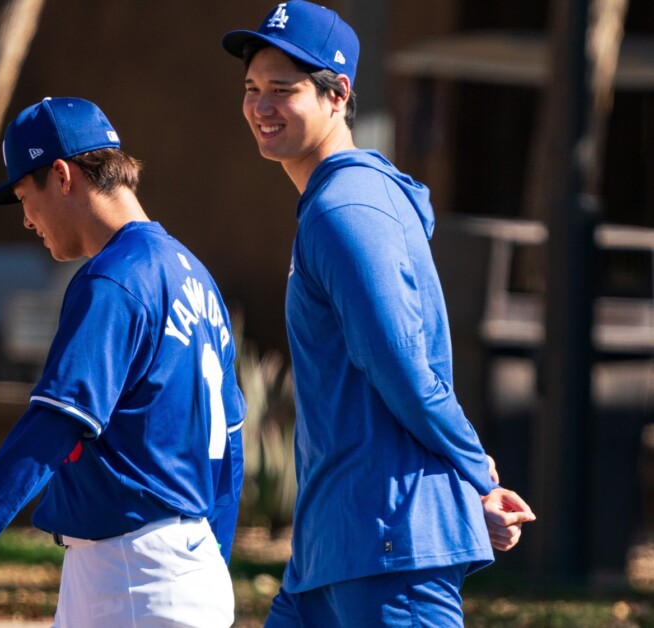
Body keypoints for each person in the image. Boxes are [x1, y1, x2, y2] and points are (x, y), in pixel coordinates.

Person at [221, 2, 535, 626]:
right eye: (252, 88)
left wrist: (476, 473)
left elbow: (400, 365)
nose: (260, 106)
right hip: (333, 553)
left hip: (387, 553)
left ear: (338, 96)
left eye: (283, 89)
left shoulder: (347, 210)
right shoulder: (336, 204)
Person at [0, 97, 244, 627]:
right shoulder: (193, 275)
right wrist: (210, 567)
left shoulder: (114, 278)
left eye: (25, 196)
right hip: (178, 566)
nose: (26, 220)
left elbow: (54, 426)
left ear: (61, 175)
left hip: (134, 574)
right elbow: (230, 446)